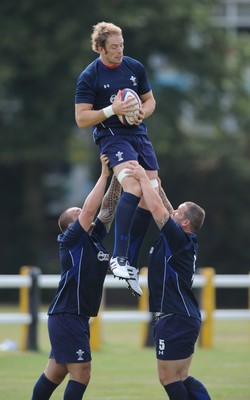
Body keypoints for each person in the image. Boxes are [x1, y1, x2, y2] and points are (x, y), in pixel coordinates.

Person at [75, 21, 159, 295]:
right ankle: (119, 256)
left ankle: (131, 264)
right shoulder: (90, 76)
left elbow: (150, 100)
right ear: (100, 48)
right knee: (134, 184)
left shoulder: (134, 67)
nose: (120, 50)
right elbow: (81, 118)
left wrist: (140, 112)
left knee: (152, 194)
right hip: (112, 138)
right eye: (114, 47)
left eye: (121, 45)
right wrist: (113, 109)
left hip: (139, 135)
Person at [30, 154, 122, 400]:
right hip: (68, 314)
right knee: (82, 372)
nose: (85, 212)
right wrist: (103, 174)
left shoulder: (93, 238)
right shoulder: (71, 240)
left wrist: (120, 173)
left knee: (56, 373)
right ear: (71, 225)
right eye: (79, 213)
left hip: (75, 316)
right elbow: (93, 208)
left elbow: (109, 205)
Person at [127, 161, 211, 400]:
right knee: (181, 376)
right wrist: (156, 184)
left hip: (176, 317)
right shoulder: (179, 237)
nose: (173, 211)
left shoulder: (179, 239)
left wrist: (143, 178)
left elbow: (158, 209)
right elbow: (164, 205)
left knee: (169, 378)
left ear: (185, 223)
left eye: (178, 212)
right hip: (182, 316)